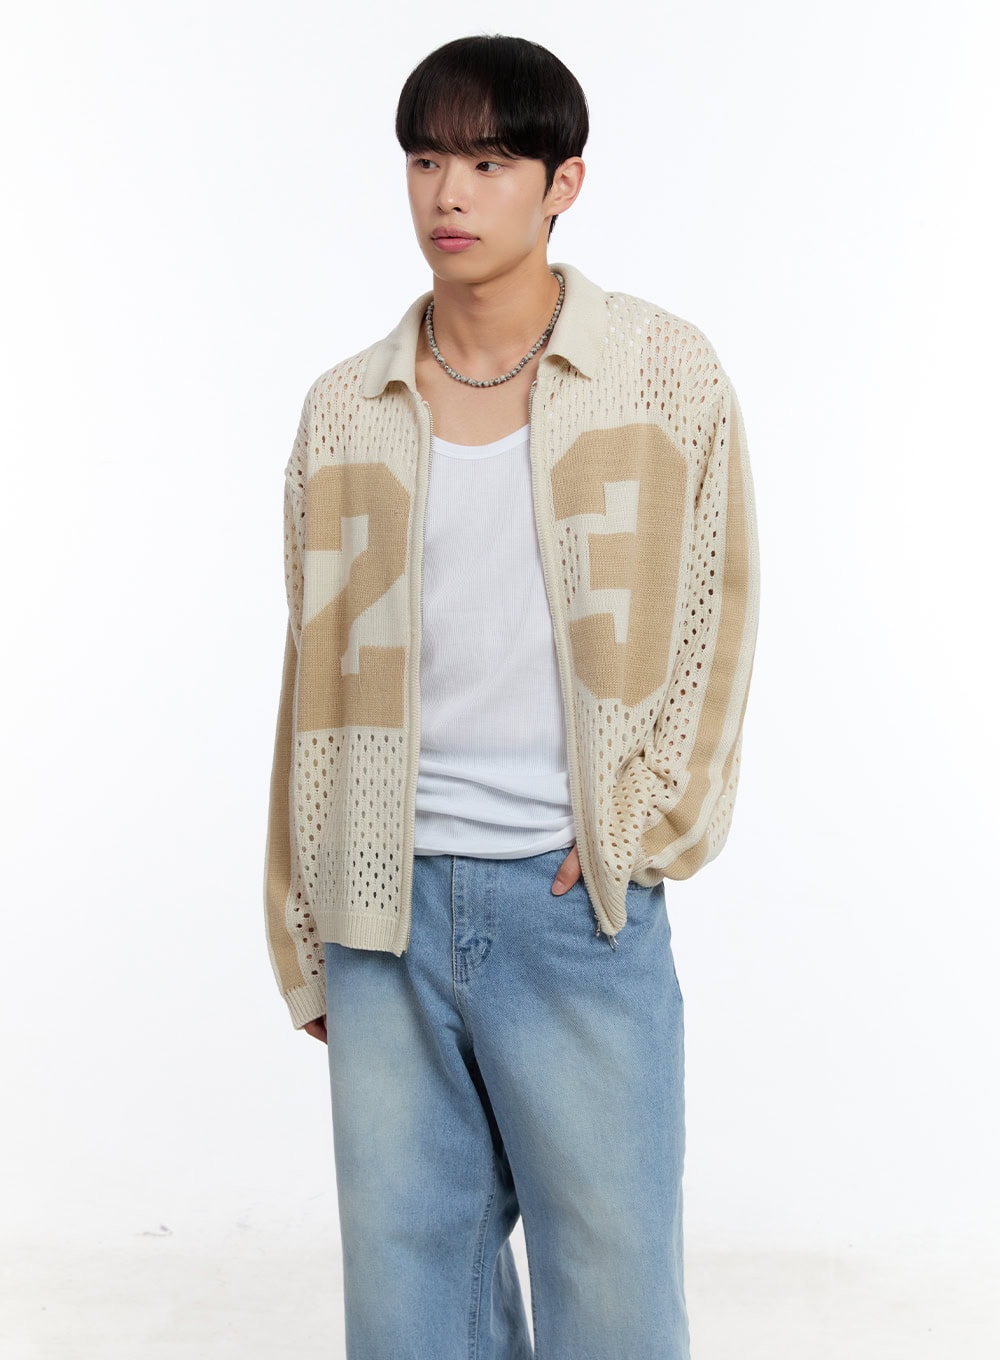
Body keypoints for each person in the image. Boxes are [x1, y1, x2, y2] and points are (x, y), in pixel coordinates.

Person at [264, 33, 758, 1360]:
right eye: (427, 160)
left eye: (488, 162)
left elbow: (721, 617)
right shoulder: (345, 409)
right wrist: (307, 921)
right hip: (384, 916)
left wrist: (648, 827)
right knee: (410, 1309)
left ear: (563, 183)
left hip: (573, 904)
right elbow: (309, 683)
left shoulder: (662, 374)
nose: (450, 194)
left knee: (614, 1301)